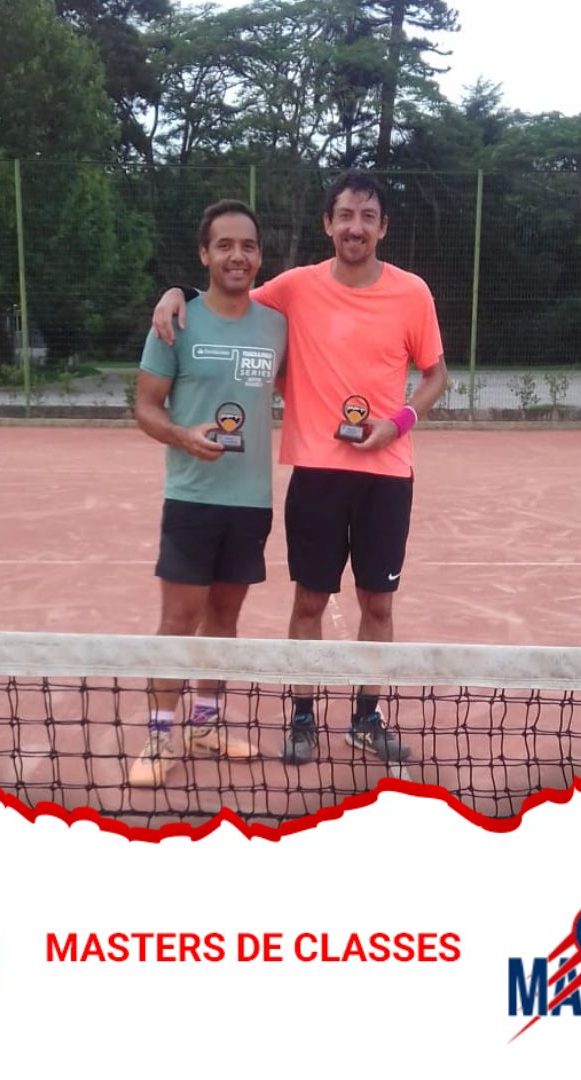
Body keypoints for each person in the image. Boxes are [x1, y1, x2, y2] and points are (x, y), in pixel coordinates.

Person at [152, 170, 448, 767]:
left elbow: (436, 375)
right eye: (346, 215)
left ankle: (366, 717)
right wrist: (176, 290)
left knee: (379, 604)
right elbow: (228, 293)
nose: (356, 227)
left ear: (383, 228)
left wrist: (399, 422)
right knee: (309, 600)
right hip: (315, 473)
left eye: (368, 217)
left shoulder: (413, 293)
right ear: (327, 224)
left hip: (388, 474)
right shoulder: (295, 287)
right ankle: (303, 717)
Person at [130, 199, 287, 786]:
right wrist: (182, 435)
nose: (236, 256)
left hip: (251, 503)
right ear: (204, 254)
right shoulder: (177, 321)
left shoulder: (277, 325)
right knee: (178, 620)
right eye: (224, 245)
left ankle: (204, 724)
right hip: (192, 498)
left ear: (259, 256)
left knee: (224, 619)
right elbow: (145, 407)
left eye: (247, 245)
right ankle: (158, 735)